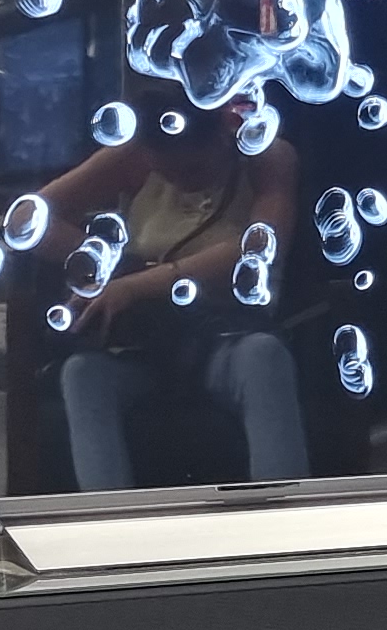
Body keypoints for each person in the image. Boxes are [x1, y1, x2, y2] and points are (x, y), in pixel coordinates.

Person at [21, 92, 306, 490]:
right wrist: (103, 260)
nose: (180, 181)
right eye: (165, 172)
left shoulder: (267, 155)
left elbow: (258, 249)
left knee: (264, 355)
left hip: (227, 335)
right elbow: (27, 219)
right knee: (82, 373)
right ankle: (111, 518)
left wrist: (136, 286)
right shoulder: (135, 154)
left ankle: (283, 513)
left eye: (192, 169)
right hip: (146, 343)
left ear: (224, 133)